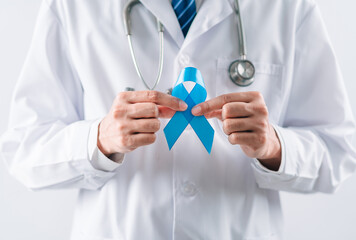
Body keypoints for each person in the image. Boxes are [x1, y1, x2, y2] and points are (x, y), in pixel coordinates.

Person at [1, 0, 356, 239]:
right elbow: (25, 148)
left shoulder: (288, 7)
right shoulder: (74, 6)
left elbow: (339, 150)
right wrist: (99, 139)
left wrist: (276, 147)